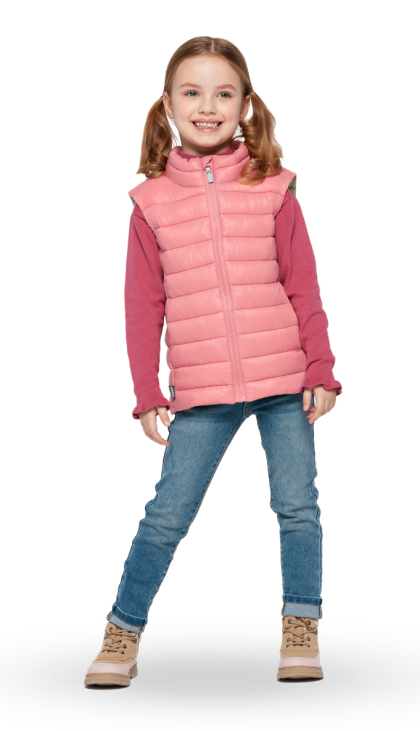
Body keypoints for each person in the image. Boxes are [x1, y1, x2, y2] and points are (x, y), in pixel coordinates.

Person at [84, 36, 342, 688]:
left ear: (245, 104)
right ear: (169, 104)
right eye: (192, 93)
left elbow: (303, 285)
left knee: (298, 506)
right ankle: (122, 631)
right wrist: (146, 390)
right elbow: (142, 306)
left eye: (224, 93)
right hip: (200, 389)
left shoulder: (274, 187)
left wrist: (321, 367)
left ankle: (301, 625)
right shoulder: (150, 204)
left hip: (284, 379)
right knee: (167, 514)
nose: (208, 106)